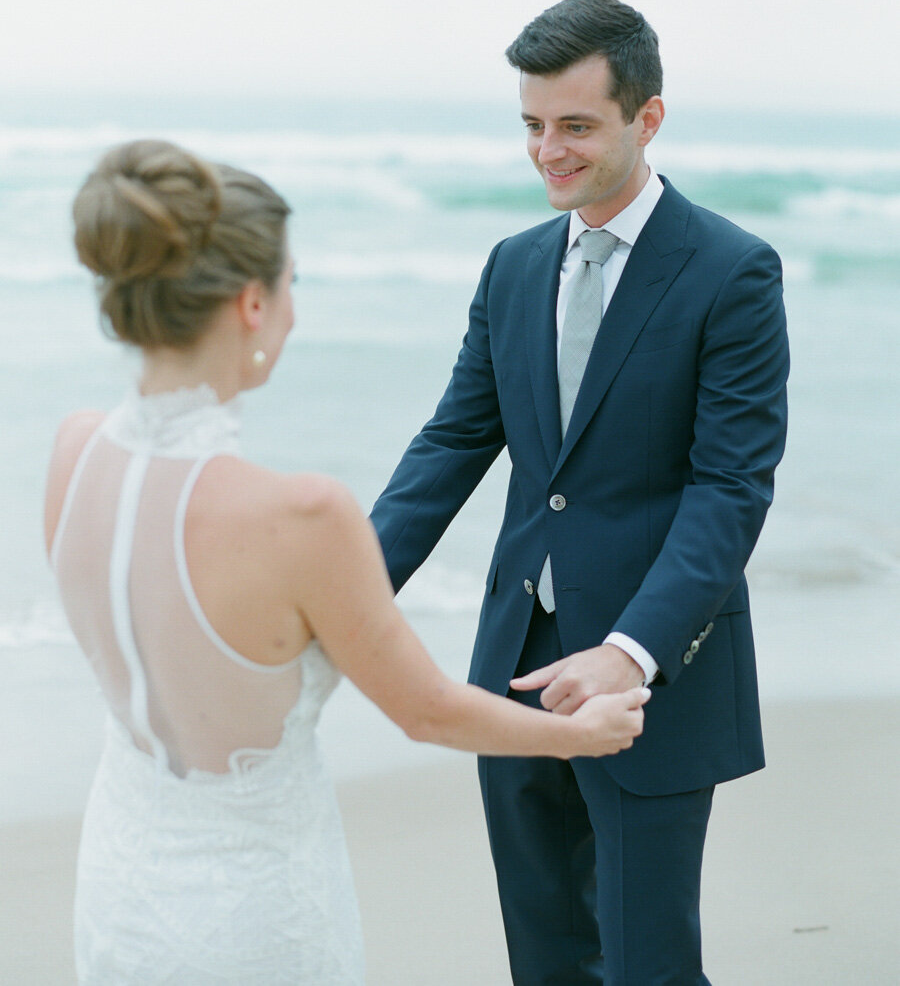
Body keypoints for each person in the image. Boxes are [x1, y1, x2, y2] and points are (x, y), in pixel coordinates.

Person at [45, 140, 649, 986]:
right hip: (256, 916)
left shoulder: (73, 454)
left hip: (119, 886)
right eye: (293, 283)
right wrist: (575, 735)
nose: (295, 306)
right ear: (253, 303)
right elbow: (428, 710)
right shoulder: (300, 516)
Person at [370, 0, 790, 985]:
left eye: (574, 125)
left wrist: (631, 651)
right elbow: (450, 446)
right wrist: (341, 588)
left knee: (649, 962)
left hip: (655, 676)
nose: (547, 150)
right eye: (531, 124)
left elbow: (729, 488)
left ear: (647, 117)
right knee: (546, 958)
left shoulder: (732, 271)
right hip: (511, 664)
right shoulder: (513, 266)